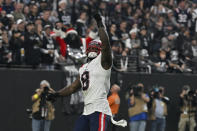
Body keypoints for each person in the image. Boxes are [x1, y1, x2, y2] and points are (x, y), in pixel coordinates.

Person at [50, 13, 127, 131]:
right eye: (91, 46)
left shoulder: (103, 62)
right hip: (86, 111)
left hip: (100, 109)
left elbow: (106, 45)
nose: (92, 48)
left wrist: (100, 24)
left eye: (95, 47)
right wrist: (57, 94)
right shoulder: (83, 67)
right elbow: (72, 88)